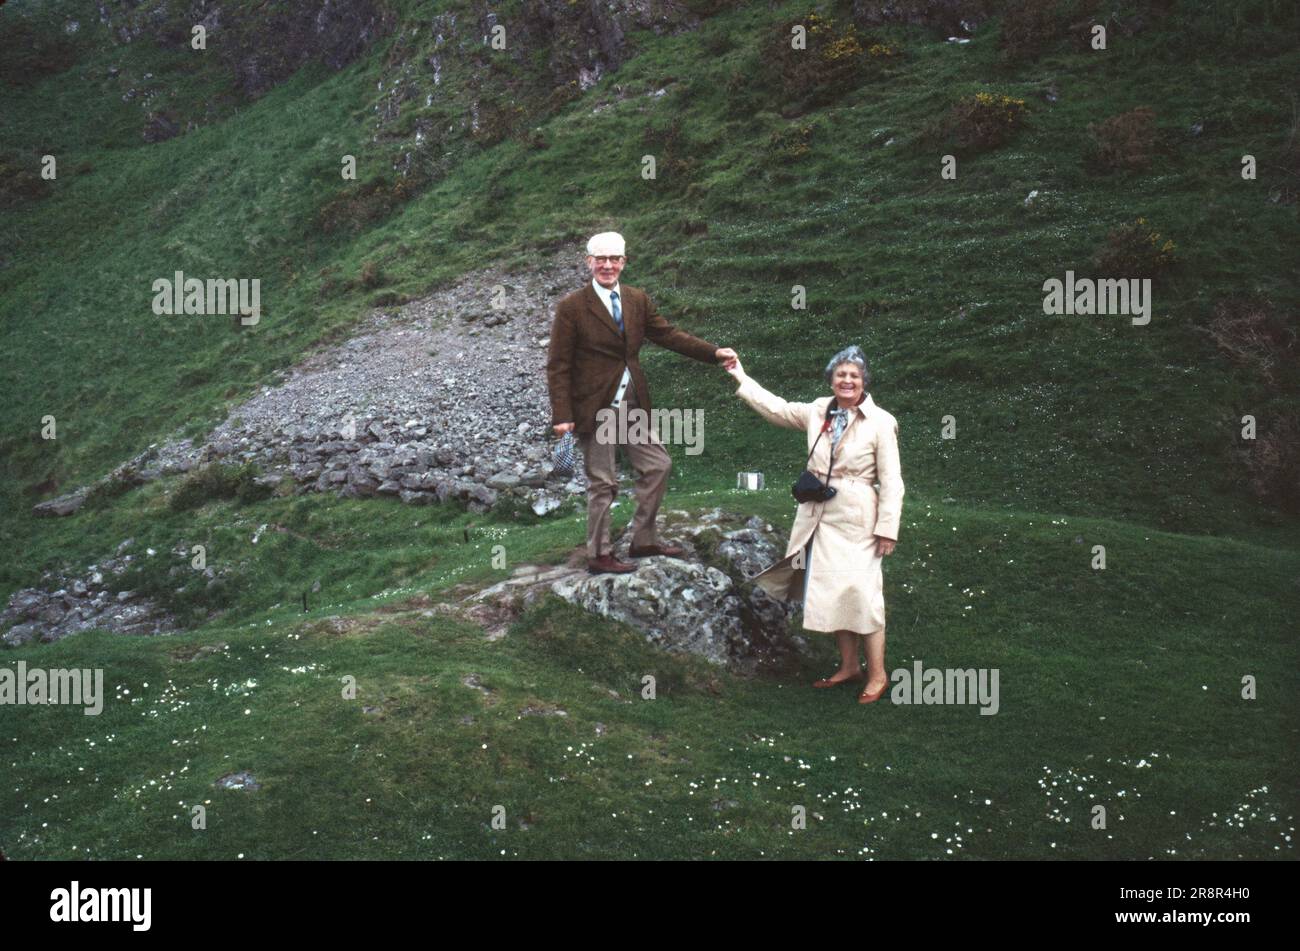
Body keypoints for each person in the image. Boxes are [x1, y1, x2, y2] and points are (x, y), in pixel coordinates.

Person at [547, 231, 737, 574]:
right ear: (588, 262)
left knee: (658, 465)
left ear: (624, 262)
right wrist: (562, 414)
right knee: (603, 482)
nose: (607, 265)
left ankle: (643, 539)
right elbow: (558, 364)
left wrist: (713, 352)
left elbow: (667, 334)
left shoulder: (637, 299)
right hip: (594, 407)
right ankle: (600, 555)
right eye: (600, 259)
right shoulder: (572, 307)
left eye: (614, 259)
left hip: (631, 403)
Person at [724, 346, 904, 704]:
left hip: (858, 521)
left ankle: (878, 674)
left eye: (854, 375)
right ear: (831, 379)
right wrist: (741, 375)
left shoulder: (882, 422)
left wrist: (887, 528)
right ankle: (850, 666)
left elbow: (893, 480)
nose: (847, 381)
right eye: (841, 375)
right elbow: (775, 407)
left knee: (863, 596)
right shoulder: (818, 410)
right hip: (819, 516)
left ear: (864, 380)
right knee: (835, 592)